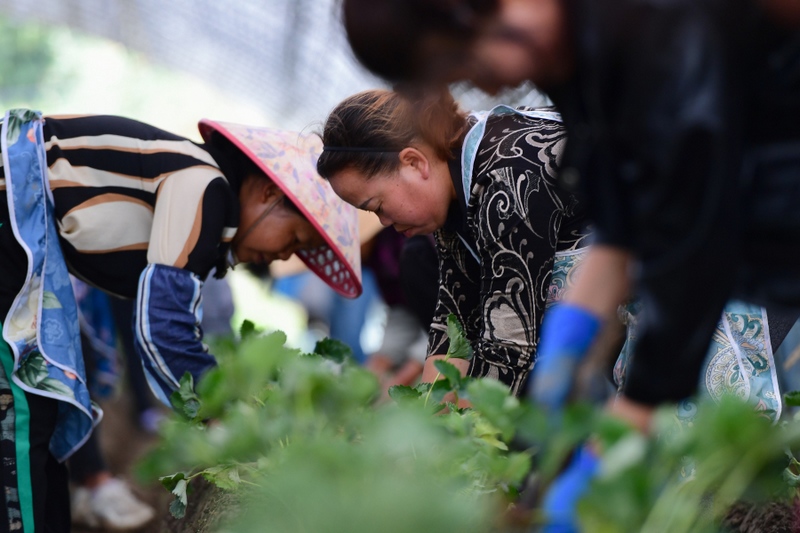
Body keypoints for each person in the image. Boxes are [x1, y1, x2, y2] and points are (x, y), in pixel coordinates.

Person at [336, 0, 800, 529]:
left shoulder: (640, 30)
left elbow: (688, 231)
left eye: (469, 67)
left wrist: (630, 414)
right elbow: (618, 223)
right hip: (690, 268)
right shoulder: (570, 65)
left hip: (740, 251)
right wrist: (569, 343)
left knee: (718, 476)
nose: (482, 90)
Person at [0, 110, 362, 532]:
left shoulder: (206, 197)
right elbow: (164, 329)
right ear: (268, 193)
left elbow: (164, 327)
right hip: (9, 208)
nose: (284, 257)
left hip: (20, 228)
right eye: (295, 240)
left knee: (45, 411)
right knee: (28, 414)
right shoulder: (205, 186)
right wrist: (230, 414)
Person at [316, 87, 592, 396]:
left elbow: (509, 344)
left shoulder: (506, 176)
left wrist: (454, 437)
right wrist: (431, 416)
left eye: (377, 205)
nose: (383, 223)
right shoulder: (454, 189)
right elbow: (453, 325)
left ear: (414, 163)